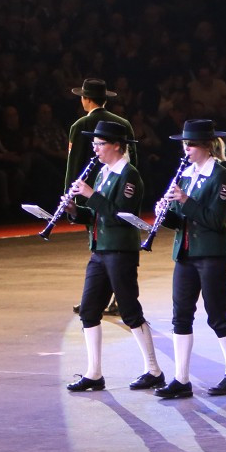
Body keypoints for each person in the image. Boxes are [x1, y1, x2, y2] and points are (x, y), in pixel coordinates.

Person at [62, 121, 163, 392]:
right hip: (100, 250)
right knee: (89, 310)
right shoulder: (103, 173)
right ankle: (93, 373)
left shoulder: (129, 176)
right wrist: (74, 210)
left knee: (130, 310)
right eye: (94, 144)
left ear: (116, 145)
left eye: (100, 144)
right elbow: (94, 215)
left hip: (120, 250)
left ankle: (153, 369)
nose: (95, 149)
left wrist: (90, 195)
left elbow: (119, 215)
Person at [151, 119, 226, 399]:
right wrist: (165, 213)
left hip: (212, 254)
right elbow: (182, 220)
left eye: (190, 145)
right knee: (181, 315)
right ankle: (181, 378)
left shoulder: (221, 175)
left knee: (216, 315)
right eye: (184, 144)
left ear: (205, 146)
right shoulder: (186, 174)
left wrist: (185, 200)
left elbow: (214, 219)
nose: (186, 149)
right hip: (186, 253)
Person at [66, 78, 136, 317]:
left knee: (98, 243)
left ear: (85, 100)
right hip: (121, 187)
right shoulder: (123, 123)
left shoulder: (81, 124)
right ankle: (110, 295)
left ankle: (100, 293)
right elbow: (131, 160)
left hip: (91, 191)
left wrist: (71, 195)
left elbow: (73, 164)